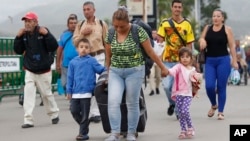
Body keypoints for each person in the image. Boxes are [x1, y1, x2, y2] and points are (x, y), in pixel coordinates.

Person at [104, 8, 168, 141]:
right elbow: (108, 55)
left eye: (121, 26)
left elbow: (151, 53)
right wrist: (107, 72)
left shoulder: (138, 31)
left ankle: (131, 132)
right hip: (116, 71)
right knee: (113, 101)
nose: (118, 29)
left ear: (128, 22)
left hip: (134, 71)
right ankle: (114, 133)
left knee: (131, 102)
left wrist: (162, 68)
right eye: (115, 26)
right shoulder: (110, 33)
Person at [13, 12, 60, 128]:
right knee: (28, 94)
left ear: (35, 22)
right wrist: (17, 38)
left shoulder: (43, 31)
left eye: (29, 21)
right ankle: (28, 120)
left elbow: (54, 46)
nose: (27, 24)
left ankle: (54, 114)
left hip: (44, 70)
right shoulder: (23, 35)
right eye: (26, 21)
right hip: (29, 69)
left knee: (46, 94)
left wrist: (47, 34)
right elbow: (18, 50)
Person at [157, 0, 195, 119]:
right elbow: (160, 43)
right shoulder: (165, 23)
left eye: (179, 7)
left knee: (178, 88)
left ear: (182, 9)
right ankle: (172, 103)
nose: (177, 9)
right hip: (167, 60)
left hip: (181, 62)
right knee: (167, 86)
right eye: (175, 7)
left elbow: (189, 45)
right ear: (171, 8)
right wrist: (158, 60)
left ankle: (178, 112)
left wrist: (189, 62)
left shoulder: (187, 24)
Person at [199, 9, 238, 120]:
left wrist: (234, 60)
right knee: (209, 86)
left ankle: (221, 111)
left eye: (218, 16)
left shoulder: (227, 29)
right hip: (210, 61)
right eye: (214, 16)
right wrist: (202, 40)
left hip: (223, 60)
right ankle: (213, 105)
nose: (215, 18)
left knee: (221, 87)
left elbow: (232, 46)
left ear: (222, 18)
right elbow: (201, 38)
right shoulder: (207, 28)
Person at [73, 1, 108, 123]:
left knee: (98, 84)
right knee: (88, 83)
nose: (86, 11)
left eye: (88, 9)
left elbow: (106, 42)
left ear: (94, 10)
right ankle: (86, 112)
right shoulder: (80, 25)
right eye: (84, 10)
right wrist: (83, 33)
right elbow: (75, 42)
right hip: (85, 59)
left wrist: (108, 59)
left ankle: (95, 112)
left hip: (99, 56)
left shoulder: (101, 24)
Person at [66, 38, 106, 141]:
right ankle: (85, 124)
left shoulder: (91, 61)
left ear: (90, 50)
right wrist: (69, 91)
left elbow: (101, 69)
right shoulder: (73, 63)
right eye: (81, 47)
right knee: (74, 111)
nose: (84, 49)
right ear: (77, 49)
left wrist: (109, 70)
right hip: (75, 92)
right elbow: (70, 78)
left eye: (86, 47)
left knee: (85, 113)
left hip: (87, 92)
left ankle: (83, 133)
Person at [165, 47, 201, 139]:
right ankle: (183, 130)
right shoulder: (178, 67)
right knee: (181, 113)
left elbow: (196, 82)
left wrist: (196, 89)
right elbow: (172, 72)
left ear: (191, 58)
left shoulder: (193, 70)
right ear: (179, 58)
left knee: (185, 111)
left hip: (188, 94)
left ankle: (190, 127)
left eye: (187, 57)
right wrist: (166, 70)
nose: (185, 58)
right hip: (178, 93)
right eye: (182, 57)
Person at [56, 14, 78, 97]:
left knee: (75, 82)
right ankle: (70, 94)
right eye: (71, 23)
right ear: (68, 25)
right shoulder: (63, 35)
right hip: (66, 63)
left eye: (75, 23)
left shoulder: (80, 34)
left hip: (78, 63)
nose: (73, 25)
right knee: (64, 83)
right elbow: (59, 49)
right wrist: (58, 63)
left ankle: (74, 100)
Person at [148, 30, 164, 96]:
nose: (154, 34)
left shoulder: (162, 43)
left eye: (155, 33)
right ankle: (152, 89)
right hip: (151, 61)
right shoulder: (149, 42)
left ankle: (157, 87)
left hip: (158, 61)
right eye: (153, 33)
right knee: (151, 75)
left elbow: (162, 52)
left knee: (158, 76)